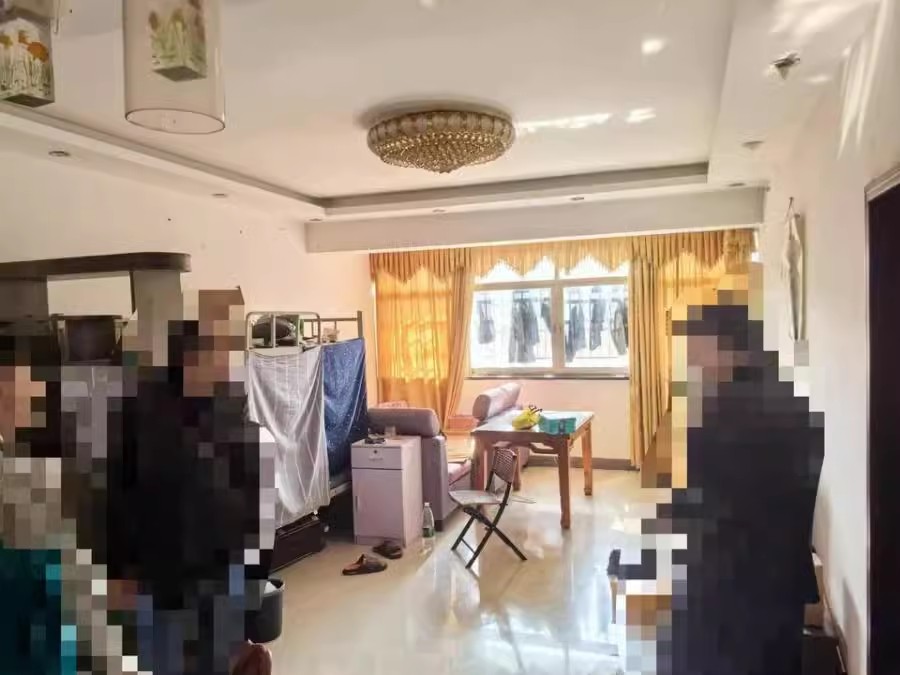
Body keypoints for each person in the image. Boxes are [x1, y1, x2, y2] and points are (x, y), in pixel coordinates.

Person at [614, 285, 824, 675]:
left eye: (697, 354)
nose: (691, 366)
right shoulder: (796, 405)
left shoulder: (713, 419)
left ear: (734, 350)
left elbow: (682, 512)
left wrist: (641, 564)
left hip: (723, 597)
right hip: (781, 590)